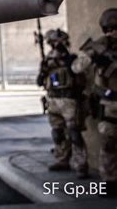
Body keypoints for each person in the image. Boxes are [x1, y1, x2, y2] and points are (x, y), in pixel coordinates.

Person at [72, 8, 117, 197]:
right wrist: (93, 58)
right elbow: (76, 68)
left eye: (114, 28)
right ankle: (110, 181)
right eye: (109, 29)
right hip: (109, 104)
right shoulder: (99, 46)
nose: (112, 32)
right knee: (109, 143)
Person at [36, 29, 88, 178]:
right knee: (57, 132)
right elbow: (40, 81)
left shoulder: (71, 59)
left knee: (74, 133)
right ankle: (62, 159)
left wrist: (64, 59)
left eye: (58, 44)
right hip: (53, 100)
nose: (55, 47)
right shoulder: (47, 61)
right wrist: (44, 70)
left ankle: (81, 164)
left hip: (69, 100)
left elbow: (78, 77)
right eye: (53, 44)